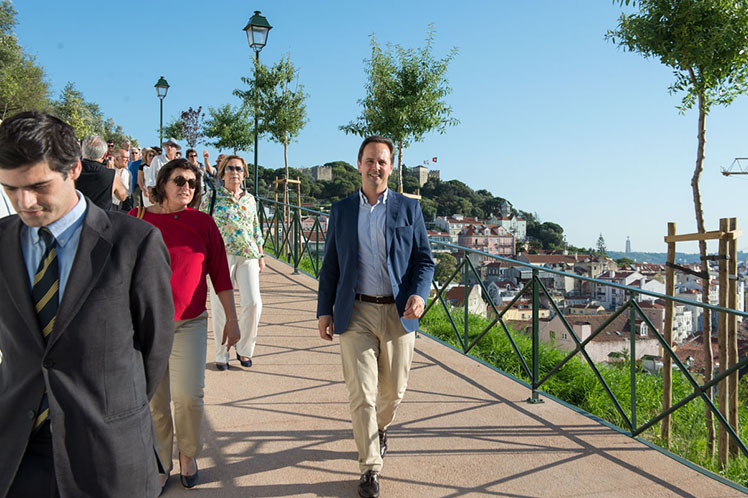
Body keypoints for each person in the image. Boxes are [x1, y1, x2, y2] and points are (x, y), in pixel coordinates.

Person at [0, 111, 175, 498]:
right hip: (15, 451)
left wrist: (112, 409)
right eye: (10, 189)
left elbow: (155, 347)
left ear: (76, 168)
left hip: (107, 451)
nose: (23, 202)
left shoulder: (136, 243)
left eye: (38, 186)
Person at [317, 136, 435, 498]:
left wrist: (418, 293)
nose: (376, 167)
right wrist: (324, 310)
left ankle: (380, 428)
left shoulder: (408, 209)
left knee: (393, 393)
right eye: (369, 161)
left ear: (391, 166)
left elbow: (423, 261)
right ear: (359, 165)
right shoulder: (341, 211)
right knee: (361, 394)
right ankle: (370, 467)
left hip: (398, 313)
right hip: (356, 312)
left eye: (382, 161)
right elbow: (331, 266)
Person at [130, 158, 240, 490]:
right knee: (155, 401)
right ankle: (161, 461)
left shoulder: (203, 223)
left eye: (192, 183)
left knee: (189, 396)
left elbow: (220, 274)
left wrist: (232, 320)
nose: (186, 188)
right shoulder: (137, 220)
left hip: (189, 323)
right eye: (179, 180)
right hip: (146, 325)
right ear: (162, 182)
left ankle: (188, 454)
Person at [201, 155, 264, 370]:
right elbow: (201, 226)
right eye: (230, 168)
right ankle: (221, 352)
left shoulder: (250, 199)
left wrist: (261, 254)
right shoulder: (212, 196)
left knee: (253, 303)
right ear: (222, 173)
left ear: (244, 174)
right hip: (220, 256)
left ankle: (244, 349)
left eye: (239, 168)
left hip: (249, 254)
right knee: (219, 305)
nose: (234, 172)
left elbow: (256, 227)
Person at [76, 135, 128, 210]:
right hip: (100, 218)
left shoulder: (72, 170)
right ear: (104, 155)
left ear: (82, 151)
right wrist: (112, 172)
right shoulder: (112, 175)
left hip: (76, 216)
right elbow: (123, 196)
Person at [143, 138, 179, 206]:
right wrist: (151, 193)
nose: (169, 148)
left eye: (172, 146)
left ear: (176, 149)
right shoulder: (157, 159)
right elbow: (151, 177)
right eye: (167, 145)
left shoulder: (179, 163)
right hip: (160, 194)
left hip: (174, 195)